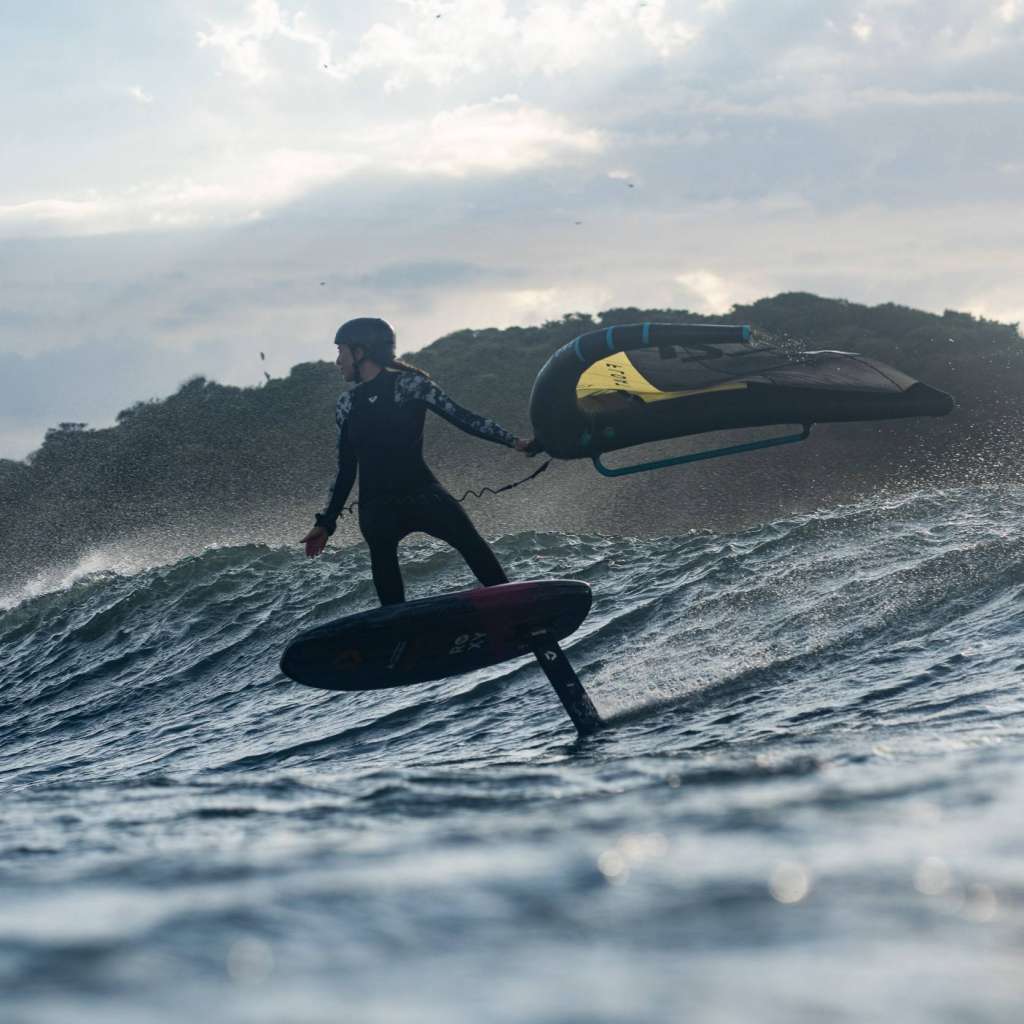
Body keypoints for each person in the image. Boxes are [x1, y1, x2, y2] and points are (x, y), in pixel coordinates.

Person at [302, 317, 539, 605]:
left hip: (424, 495)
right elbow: (346, 469)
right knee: (385, 570)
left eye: (341, 351)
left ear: (360, 352)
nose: (338, 361)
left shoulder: (411, 385)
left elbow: (462, 417)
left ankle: (516, 608)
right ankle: (398, 633)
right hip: (378, 508)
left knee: (472, 544)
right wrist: (326, 523)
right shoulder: (347, 404)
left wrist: (514, 441)